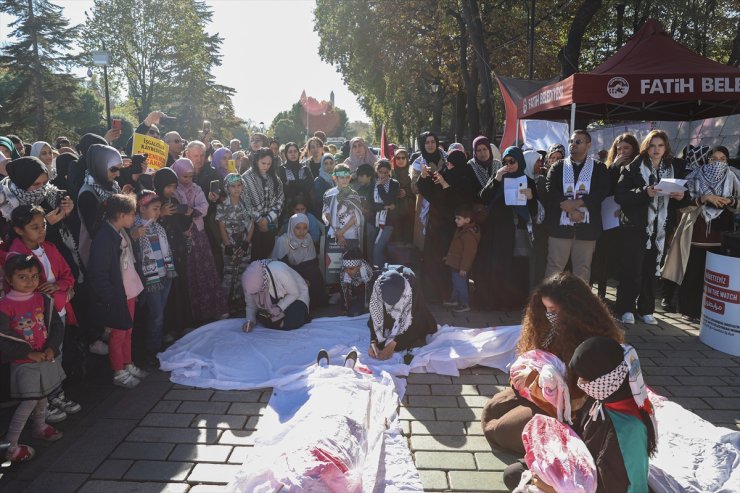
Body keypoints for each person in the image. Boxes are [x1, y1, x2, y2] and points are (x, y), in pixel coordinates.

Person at [480, 272, 624, 455]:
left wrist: (533, 381)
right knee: (491, 410)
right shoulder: (550, 328)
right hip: (541, 396)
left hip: (570, 410)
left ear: (575, 310)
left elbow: (579, 398)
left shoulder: (594, 340)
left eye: (554, 311)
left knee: (501, 431)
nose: (549, 315)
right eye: (545, 309)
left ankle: (568, 438)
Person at [7, 205, 81, 423]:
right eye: (34, 227)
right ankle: (42, 403)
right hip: (32, 318)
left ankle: (56, 395)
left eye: (44, 225)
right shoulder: (16, 257)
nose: (41, 231)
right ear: (19, 230)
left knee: (54, 354)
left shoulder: (49, 247)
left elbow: (68, 275)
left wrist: (60, 286)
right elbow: (22, 289)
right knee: (37, 358)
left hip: (56, 311)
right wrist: (62, 292)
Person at [614, 130, 689, 325]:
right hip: (635, 227)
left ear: (666, 148)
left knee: (651, 270)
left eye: (660, 145)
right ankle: (625, 308)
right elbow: (620, 197)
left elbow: (683, 198)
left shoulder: (674, 168)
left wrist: (681, 197)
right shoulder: (633, 167)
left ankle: (646, 309)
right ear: (646, 147)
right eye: (653, 145)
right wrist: (644, 192)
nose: (656, 149)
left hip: (660, 229)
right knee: (632, 270)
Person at [0, 254, 66, 462]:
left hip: (44, 358)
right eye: (23, 277)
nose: (30, 282)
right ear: (9, 279)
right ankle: (11, 446)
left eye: (34, 276)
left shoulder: (43, 299)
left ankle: (40, 426)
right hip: (23, 363)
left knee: (43, 395)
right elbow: (2, 338)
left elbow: (56, 325)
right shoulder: (4, 305)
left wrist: (52, 348)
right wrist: (27, 353)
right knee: (29, 401)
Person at [569, 337, 657, 492]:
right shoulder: (603, 399)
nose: (580, 382)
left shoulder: (630, 429)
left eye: (586, 378)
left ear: (607, 379)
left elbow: (635, 485)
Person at [663, 145, 739, 322]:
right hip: (694, 233)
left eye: (722, 159)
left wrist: (729, 200)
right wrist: (703, 199)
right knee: (692, 272)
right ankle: (690, 311)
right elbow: (682, 206)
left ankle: (710, 312)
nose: (718, 163)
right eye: (714, 159)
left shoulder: (733, 177)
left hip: (719, 236)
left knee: (713, 276)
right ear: (707, 159)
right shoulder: (693, 176)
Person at [87, 194, 148, 388]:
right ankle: (118, 371)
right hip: (117, 295)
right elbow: (99, 273)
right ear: (121, 215)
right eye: (132, 214)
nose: (134, 218)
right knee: (118, 333)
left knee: (127, 331)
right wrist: (110, 297)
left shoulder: (119, 231)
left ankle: (127, 363)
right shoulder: (105, 237)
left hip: (128, 291)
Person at [544, 130, 610, 282]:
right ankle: (550, 305)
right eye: (571, 141)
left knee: (582, 269)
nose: (573, 144)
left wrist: (577, 204)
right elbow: (550, 190)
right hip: (559, 227)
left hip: (586, 228)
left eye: (578, 142)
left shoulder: (599, 168)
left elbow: (602, 192)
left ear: (588, 145)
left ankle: (579, 305)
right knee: (554, 267)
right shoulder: (558, 167)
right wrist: (570, 210)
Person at [479, 146, 538, 310]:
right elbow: (484, 197)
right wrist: (496, 178)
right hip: (497, 231)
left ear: (520, 161)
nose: (509, 165)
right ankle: (496, 302)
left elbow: (533, 210)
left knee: (516, 267)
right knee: (499, 265)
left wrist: (531, 197)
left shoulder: (529, 181)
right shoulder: (499, 177)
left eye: (512, 161)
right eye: (505, 161)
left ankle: (515, 303)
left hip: (517, 230)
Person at [171, 158, 227, 324]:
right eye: (184, 176)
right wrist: (186, 211)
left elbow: (204, 208)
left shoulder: (196, 188)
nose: (188, 180)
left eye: (190, 176)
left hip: (199, 234)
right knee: (189, 272)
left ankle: (213, 309)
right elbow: (175, 210)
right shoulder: (173, 190)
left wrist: (191, 211)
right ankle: (193, 315)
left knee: (205, 270)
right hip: (182, 236)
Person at [417, 148, 475, 303]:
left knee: (451, 263)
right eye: (447, 162)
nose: (447, 166)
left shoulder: (465, 180)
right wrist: (423, 176)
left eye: (451, 164)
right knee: (433, 261)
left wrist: (445, 184)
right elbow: (427, 192)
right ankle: (433, 294)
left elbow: (459, 202)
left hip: (453, 229)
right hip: (436, 227)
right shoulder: (444, 175)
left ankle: (452, 295)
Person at [590, 133, 640, 301]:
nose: (622, 152)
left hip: (629, 220)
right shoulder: (609, 167)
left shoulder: (639, 167)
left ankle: (624, 300)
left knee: (624, 259)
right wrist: (613, 167)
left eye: (626, 148)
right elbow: (603, 189)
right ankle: (601, 293)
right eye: (619, 149)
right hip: (608, 218)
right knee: (603, 256)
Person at [132, 191, 177, 363]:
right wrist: (134, 237)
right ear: (142, 208)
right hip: (151, 279)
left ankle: (155, 345)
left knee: (158, 313)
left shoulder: (158, 227)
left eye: (159, 209)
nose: (158, 213)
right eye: (155, 209)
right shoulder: (135, 228)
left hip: (165, 275)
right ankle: (152, 349)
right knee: (156, 314)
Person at [154, 168, 193, 339]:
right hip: (160, 253)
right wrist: (160, 213)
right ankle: (166, 330)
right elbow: (145, 223)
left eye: (173, 186)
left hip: (177, 250)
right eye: (168, 186)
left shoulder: (174, 200)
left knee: (180, 287)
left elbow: (182, 226)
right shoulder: (152, 201)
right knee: (166, 293)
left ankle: (182, 325)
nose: (171, 190)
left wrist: (188, 214)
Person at [367, 265, 437, 360]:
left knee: (408, 340)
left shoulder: (411, 288)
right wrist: (373, 342)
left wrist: (393, 344)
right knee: (381, 341)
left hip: (412, 310)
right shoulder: (378, 288)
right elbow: (374, 317)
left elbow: (411, 316)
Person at [77, 144, 124, 267]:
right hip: (101, 259)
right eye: (113, 169)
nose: (118, 174)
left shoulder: (112, 186)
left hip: (115, 251)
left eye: (119, 169)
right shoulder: (88, 193)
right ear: (100, 165)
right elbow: (95, 232)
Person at [216, 173, 254, 316]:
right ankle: (223, 306)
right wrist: (228, 245)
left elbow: (251, 225)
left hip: (244, 246)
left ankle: (240, 302)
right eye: (233, 186)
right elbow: (221, 225)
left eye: (239, 185)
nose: (236, 189)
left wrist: (246, 242)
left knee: (243, 273)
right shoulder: (223, 206)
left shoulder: (247, 204)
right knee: (228, 274)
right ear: (227, 188)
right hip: (230, 246)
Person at [271, 213, 327, 307]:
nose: (302, 231)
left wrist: (306, 277)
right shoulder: (283, 240)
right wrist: (300, 278)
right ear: (292, 226)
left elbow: (312, 262)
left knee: (315, 273)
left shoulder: (308, 238)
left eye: (305, 228)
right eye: (298, 228)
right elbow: (280, 266)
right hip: (287, 270)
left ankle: (314, 305)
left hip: (303, 268)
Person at [241, 259, 310, 332]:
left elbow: (294, 293)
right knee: (262, 315)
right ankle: (280, 322)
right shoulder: (248, 283)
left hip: (297, 295)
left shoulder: (279, 270)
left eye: (256, 292)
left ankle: (286, 320)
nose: (255, 295)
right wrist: (250, 321)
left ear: (262, 284)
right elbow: (251, 304)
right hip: (275, 299)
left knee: (292, 320)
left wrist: (279, 307)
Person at [242, 147, 285, 260]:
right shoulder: (246, 178)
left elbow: (280, 200)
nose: (266, 166)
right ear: (256, 161)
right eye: (263, 163)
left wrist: (268, 219)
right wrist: (259, 220)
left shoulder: (275, 178)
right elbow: (245, 203)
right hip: (251, 227)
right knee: (254, 259)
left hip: (270, 225)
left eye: (269, 164)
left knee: (268, 257)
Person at [443, 204, 481, 313]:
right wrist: (449, 257)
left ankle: (465, 304)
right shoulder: (461, 230)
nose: (456, 220)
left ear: (467, 220)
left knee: (461, 285)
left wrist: (464, 268)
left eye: (458, 218)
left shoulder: (469, 235)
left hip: (460, 266)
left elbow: (469, 254)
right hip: (455, 263)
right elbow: (455, 247)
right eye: (456, 218)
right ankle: (454, 300)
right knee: (456, 284)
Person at [323, 163, 363, 256]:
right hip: (334, 233)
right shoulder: (329, 194)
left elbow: (356, 216)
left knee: (351, 262)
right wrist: (338, 232)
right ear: (335, 178)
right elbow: (327, 214)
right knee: (334, 266)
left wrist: (342, 232)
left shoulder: (354, 194)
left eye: (347, 177)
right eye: (341, 178)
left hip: (350, 234)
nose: (345, 180)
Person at [523, 149, 548, 289]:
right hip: (523, 229)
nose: (540, 164)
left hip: (539, 230)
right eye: (537, 161)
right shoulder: (519, 180)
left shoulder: (542, 180)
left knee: (537, 263)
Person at [369, 159, 400, 268]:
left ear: (389, 172)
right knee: (374, 247)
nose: (382, 175)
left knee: (378, 247)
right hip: (375, 221)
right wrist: (385, 207)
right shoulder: (373, 183)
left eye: (385, 173)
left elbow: (389, 201)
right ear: (376, 171)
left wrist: (380, 187)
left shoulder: (394, 184)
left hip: (388, 222)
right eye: (380, 172)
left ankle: (380, 272)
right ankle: (381, 269)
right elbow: (371, 205)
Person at [340, 247, 374, 316]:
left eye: (351, 269)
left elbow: (370, 289)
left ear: (359, 266)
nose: (348, 271)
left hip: (365, 290)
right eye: (346, 269)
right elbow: (344, 290)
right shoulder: (344, 272)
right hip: (353, 290)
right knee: (351, 313)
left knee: (357, 312)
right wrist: (344, 307)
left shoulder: (368, 271)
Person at [391, 148, 415, 244]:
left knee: (407, 240)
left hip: (408, 212)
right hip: (394, 211)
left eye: (403, 158)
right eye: (398, 158)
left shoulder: (412, 174)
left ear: (407, 159)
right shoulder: (391, 174)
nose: (400, 160)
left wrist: (406, 192)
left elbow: (416, 192)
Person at [277, 142, 313, 206]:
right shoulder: (281, 169)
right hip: (287, 206)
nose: (293, 154)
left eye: (295, 151)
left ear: (298, 153)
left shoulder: (305, 169)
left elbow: (309, 187)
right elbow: (283, 189)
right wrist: (301, 183)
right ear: (286, 154)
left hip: (305, 205)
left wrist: (290, 183)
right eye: (290, 152)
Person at [312, 153, 335, 217]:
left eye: (331, 163)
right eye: (326, 163)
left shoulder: (336, 178)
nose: (329, 166)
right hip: (323, 216)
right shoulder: (319, 181)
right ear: (322, 164)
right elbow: (319, 202)